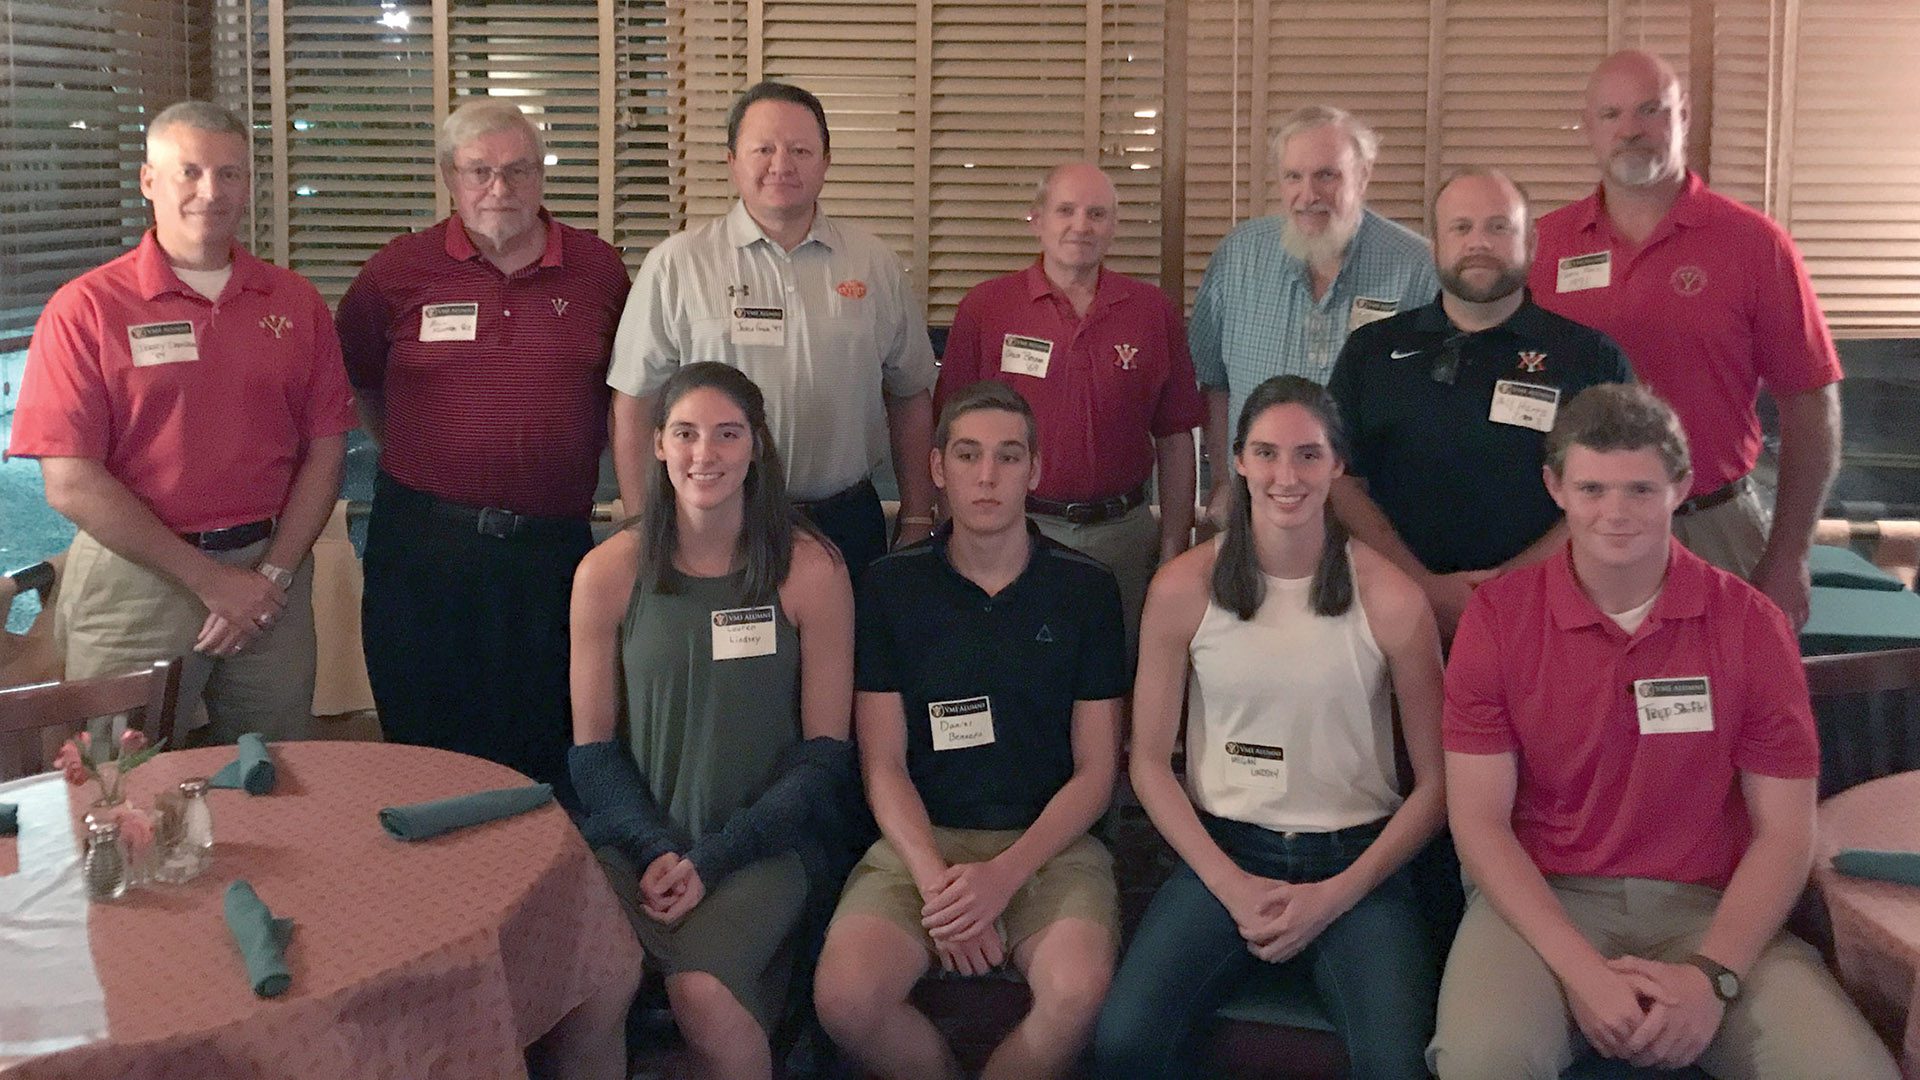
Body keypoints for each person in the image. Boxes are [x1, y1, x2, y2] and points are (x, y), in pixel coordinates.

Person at [1429, 383, 1896, 1080]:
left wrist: (1715, 979)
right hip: (1545, 902)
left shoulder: (1751, 625)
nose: (1615, 514)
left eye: (1640, 491)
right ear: (1555, 487)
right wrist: (1582, 973)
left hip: (1713, 910)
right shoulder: (1497, 620)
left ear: (1680, 488)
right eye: (1593, 489)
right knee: (1481, 1061)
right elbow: (1480, 825)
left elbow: (1785, 832)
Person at [1092, 375, 1446, 1080]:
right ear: (1239, 463)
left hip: (1357, 868)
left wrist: (1332, 897)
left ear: (1338, 466)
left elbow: (1438, 786)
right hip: (1222, 855)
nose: (1288, 476)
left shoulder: (1394, 599)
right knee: (1124, 1045)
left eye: (1309, 455)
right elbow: (1149, 766)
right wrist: (1230, 885)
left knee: (1398, 1063)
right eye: (1267, 454)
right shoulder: (1181, 590)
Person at [8, 100, 355, 742]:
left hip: (268, 578)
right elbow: (70, 482)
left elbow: (325, 454)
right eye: (189, 171)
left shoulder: (294, 302)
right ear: (148, 181)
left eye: (228, 174)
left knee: (273, 772)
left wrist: (269, 576)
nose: (210, 191)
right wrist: (210, 581)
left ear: (247, 185)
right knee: (119, 781)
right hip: (136, 578)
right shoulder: (86, 308)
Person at [812, 381, 1127, 1080]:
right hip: (918, 843)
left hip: (1051, 844)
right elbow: (882, 764)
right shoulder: (889, 587)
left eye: (1009, 457)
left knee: (1079, 994)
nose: (987, 477)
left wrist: (1000, 879)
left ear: (1036, 471)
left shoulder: (1087, 589)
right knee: (844, 999)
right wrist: (939, 885)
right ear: (935, 469)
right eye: (968, 455)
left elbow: (1097, 772)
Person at [568, 362, 857, 1080]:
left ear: (756, 446)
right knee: (581, 996)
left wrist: (712, 859)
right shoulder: (606, 573)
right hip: (634, 849)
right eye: (687, 434)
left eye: (728, 435)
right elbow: (593, 753)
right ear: (658, 445)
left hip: (766, 849)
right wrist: (654, 847)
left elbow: (824, 756)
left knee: (704, 1000)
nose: (706, 455)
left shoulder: (809, 569)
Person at [335, 100, 630, 799]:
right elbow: (360, 384)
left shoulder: (599, 272)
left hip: (552, 550)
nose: (501, 190)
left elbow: (628, 395)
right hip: (422, 548)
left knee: (552, 742)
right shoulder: (396, 272)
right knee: (424, 745)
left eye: (519, 170)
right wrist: (433, 454)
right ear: (449, 178)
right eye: (480, 172)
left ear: (542, 176)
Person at [1530, 50, 1841, 629]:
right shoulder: (1541, 245)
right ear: (1589, 128)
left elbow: (1811, 407)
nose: (1630, 130)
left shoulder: (1755, 246)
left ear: (1683, 115)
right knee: (1578, 711)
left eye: (1650, 110)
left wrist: (1789, 553)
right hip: (1572, 532)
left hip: (1713, 527)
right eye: (1611, 114)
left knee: (1722, 710)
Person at [608, 80, 939, 579]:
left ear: (826, 162)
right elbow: (635, 401)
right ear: (732, 161)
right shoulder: (677, 265)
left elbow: (910, 393)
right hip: (712, 520)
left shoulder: (873, 264)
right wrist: (641, 524)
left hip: (844, 520)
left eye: (801, 150)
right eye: (763, 149)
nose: (781, 164)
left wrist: (916, 514)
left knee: (845, 657)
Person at [1329, 167, 1633, 637]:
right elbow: (1339, 482)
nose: (1478, 242)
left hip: (1547, 617)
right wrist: (1422, 585)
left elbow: (1617, 489)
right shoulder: (1370, 351)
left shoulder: (1590, 358)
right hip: (1393, 613)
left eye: (1498, 227)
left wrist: (1509, 589)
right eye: (1461, 227)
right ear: (1435, 246)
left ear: (1530, 243)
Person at [937, 161, 1205, 653]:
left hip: (1124, 539)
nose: (1081, 226)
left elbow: (1175, 437)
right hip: (1013, 532)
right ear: (1037, 219)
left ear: (1114, 227)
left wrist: (1173, 545)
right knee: (1010, 670)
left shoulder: (1152, 312)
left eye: (1097, 214)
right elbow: (948, 433)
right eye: (1066, 211)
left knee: (1115, 677)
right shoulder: (986, 307)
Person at [1191, 104, 1437, 527]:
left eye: (1327, 175)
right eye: (1293, 177)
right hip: (1257, 512)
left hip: (1375, 521)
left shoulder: (1418, 268)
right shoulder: (1239, 256)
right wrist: (1224, 484)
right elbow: (1214, 385)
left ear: (1363, 176)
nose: (1308, 196)